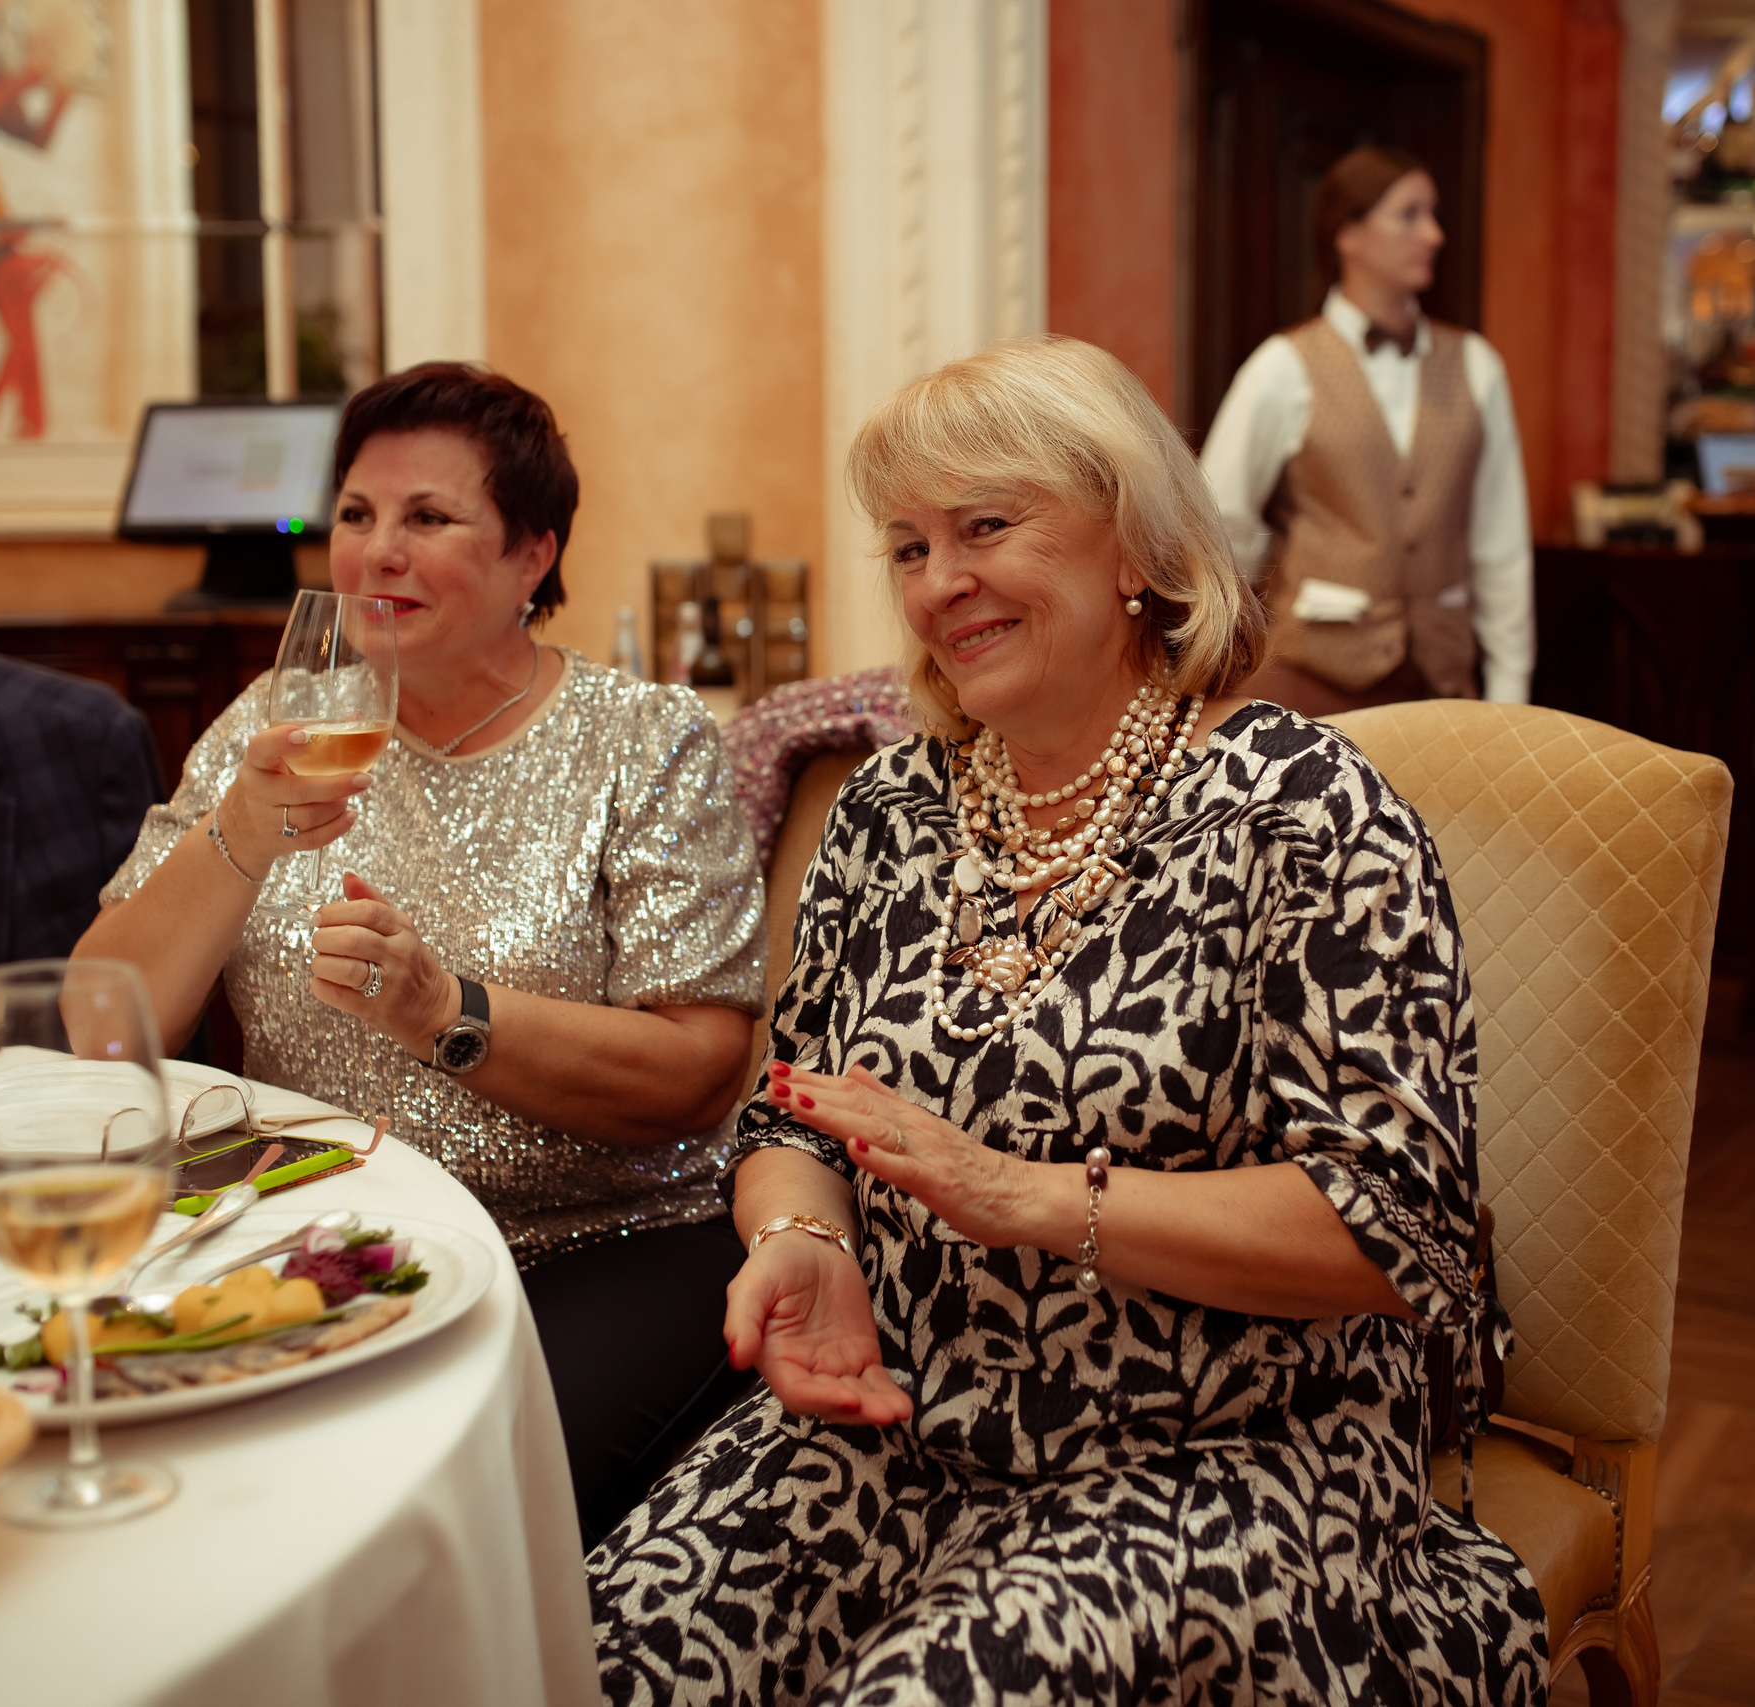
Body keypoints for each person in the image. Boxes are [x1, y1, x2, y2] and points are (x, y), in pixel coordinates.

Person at [591, 336, 1545, 1703]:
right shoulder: (886, 813)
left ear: (1138, 551)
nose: (940, 582)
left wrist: (1019, 1194)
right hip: (906, 1417)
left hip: (1232, 1443)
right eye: (909, 546)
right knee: (598, 1645)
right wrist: (802, 1233)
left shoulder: (1302, 806)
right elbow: (784, 1113)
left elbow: (1396, 1225)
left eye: (987, 526)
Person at [78, 362, 767, 1541]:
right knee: (149, 1462)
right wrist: (235, 838)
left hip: (590, 1244)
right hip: (318, 1233)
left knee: (404, 1507)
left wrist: (446, 1009)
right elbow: (100, 1027)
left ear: (530, 557)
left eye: (428, 519)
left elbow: (698, 1074)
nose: (376, 552)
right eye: (355, 515)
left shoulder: (642, 740)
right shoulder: (274, 722)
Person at [1200, 145, 1534, 716]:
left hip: (1443, 689)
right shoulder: (1283, 367)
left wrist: (1509, 698)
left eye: (1434, 214)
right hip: (1311, 686)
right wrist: (1217, 669)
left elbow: (1500, 547)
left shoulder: (1478, 366)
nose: (1433, 234)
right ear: (1347, 233)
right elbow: (1219, 529)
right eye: (1409, 214)